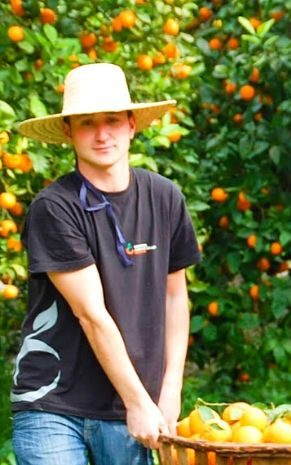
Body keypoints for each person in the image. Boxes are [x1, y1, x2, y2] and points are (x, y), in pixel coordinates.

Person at [11, 63, 201, 465]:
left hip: (134, 403)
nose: (101, 134)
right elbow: (91, 313)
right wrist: (138, 401)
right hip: (54, 404)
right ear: (68, 132)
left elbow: (175, 298)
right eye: (87, 123)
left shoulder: (165, 198)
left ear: (132, 125)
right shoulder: (55, 207)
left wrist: (169, 393)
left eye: (112, 120)